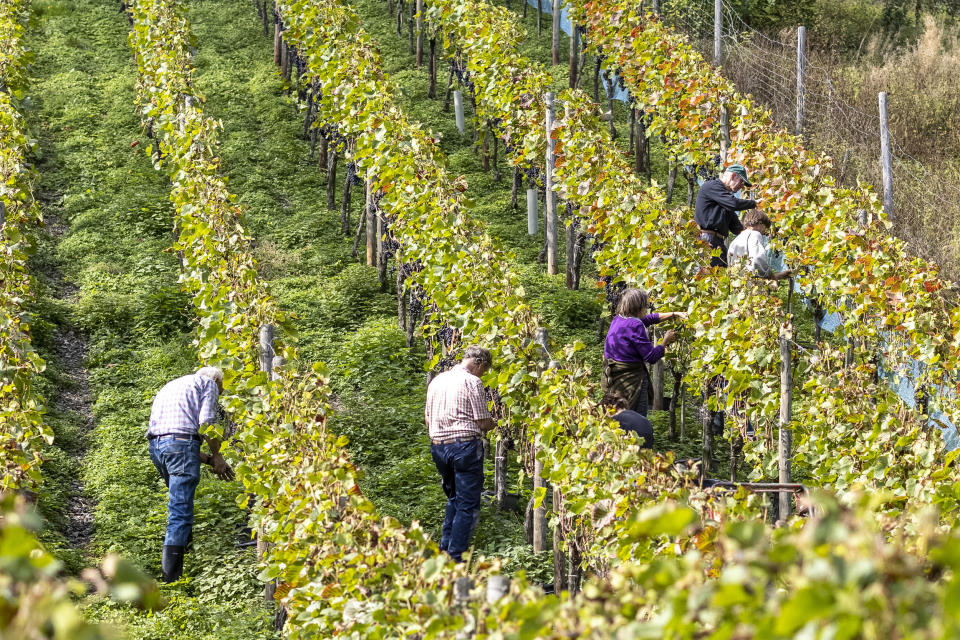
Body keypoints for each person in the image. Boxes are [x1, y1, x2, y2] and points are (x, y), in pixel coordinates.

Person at [147, 367, 234, 582]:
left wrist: (206, 459)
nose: (219, 393)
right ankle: (171, 580)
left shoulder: (173, 384)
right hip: (180, 445)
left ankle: (187, 555)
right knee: (180, 511)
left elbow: (173, 436)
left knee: (179, 503)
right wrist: (218, 455)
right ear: (215, 379)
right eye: (221, 388)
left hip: (157, 447)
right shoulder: (209, 384)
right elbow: (205, 424)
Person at [424, 346, 494, 562]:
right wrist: (496, 422)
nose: (483, 374)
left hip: (438, 447)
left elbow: (427, 419)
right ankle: (456, 558)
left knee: (454, 498)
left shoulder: (437, 380)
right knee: (468, 504)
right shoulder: (473, 382)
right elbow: (482, 422)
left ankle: (445, 549)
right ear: (480, 363)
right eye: (484, 370)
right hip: (464, 447)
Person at [602, 287, 686, 415]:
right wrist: (665, 341)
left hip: (615, 377)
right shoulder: (635, 326)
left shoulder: (618, 319)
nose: (646, 308)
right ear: (638, 308)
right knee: (635, 416)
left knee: (617, 414)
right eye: (644, 306)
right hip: (632, 380)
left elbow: (648, 319)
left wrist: (675, 314)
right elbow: (651, 357)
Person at [694, 164, 759, 267]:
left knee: (722, 277)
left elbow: (736, 227)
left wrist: (755, 231)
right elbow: (734, 204)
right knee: (707, 276)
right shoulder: (712, 186)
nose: (742, 186)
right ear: (733, 176)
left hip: (718, 243)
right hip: (706, 240)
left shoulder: (724, 199)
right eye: (742, 182)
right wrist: (754, 203)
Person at [726, 210, 795, 280]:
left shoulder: (737, 239)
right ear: (760, 223)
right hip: (750, 283)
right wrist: (771, 276)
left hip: (737, 283)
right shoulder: (754, 234)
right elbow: (758, 260)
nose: (764, 232)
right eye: (765, 227)